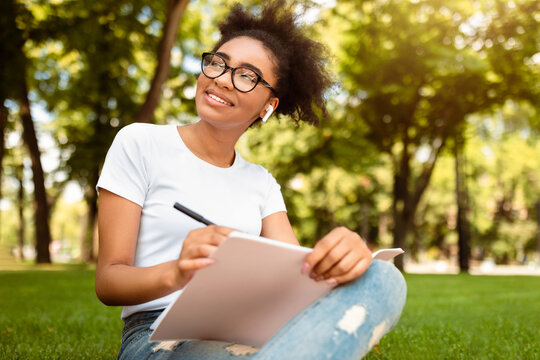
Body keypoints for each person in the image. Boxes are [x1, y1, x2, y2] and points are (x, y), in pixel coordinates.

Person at [95, 1, 406, 359]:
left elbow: (299, 281)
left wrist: (350, 257)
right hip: (158, 336)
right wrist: (177, 272)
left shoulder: (261, 182)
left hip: (250, 333)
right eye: (218, 63)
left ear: (268, 106)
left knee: (385, 280)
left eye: (246, 76)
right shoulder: (140, 142)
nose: (221, 79)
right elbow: (109, 281)